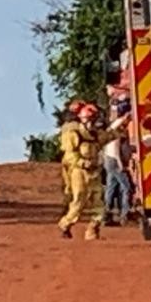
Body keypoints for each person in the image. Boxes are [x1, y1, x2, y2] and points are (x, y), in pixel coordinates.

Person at [59, 103, 122, 240]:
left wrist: (124, 122)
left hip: (94, 172)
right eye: (91, 119)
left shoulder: (95, 134)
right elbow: (69, 156)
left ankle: (93, 230)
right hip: (78, 172)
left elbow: (108, 136)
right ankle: (66, 225)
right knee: (79, 200)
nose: (94, 122)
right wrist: (82, 162)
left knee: (98, 202)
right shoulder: (73, 134)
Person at [102, 128, 134, 226]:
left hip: (108, 160)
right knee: (126, 188)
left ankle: (106, 215)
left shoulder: (108, 133)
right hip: (114, 161)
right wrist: (120, 164)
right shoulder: (117, 134)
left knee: (110, 188)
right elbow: (116, 150)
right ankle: (125, 214)